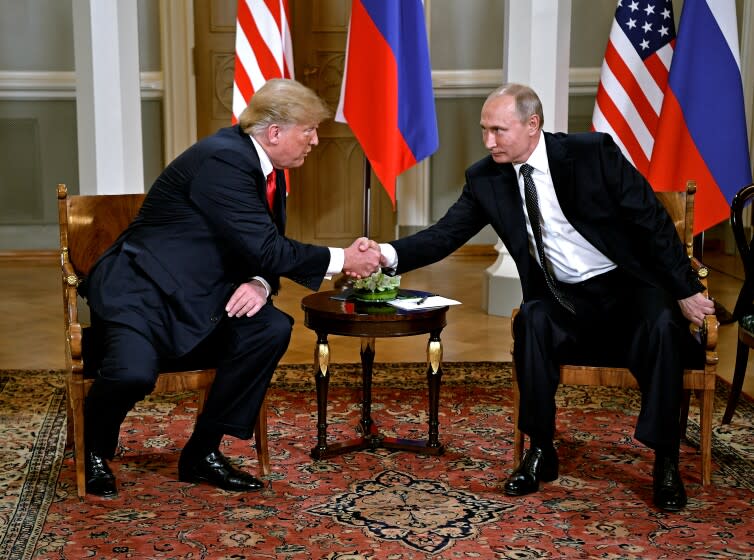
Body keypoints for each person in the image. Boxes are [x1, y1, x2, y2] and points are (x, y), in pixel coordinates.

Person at [379, 83, 714, 512]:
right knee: (532, 321)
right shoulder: (486, 178)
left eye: (498, 130)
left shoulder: (592, 154)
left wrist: (685, 289)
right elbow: (445, 235)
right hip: (562, 297)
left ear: (532, 125)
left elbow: (652, 222)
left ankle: (664, 458)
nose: (488, 141)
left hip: (627, 287)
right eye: (484, 130)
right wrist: (387, 254)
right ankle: (540, 449)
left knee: (664, 325)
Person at [79, 78, 381, 497]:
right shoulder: (224, 161)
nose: (314, 141)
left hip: (203, 290)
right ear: (275, 133)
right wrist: (344, 259)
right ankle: (91, 448)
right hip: (143, 291)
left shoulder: (264, 169)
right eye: (309, 130)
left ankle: (202, 451)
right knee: (131, 373)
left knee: (269, 328)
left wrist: (259, 282)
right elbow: (267, 246)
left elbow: (257, 245)